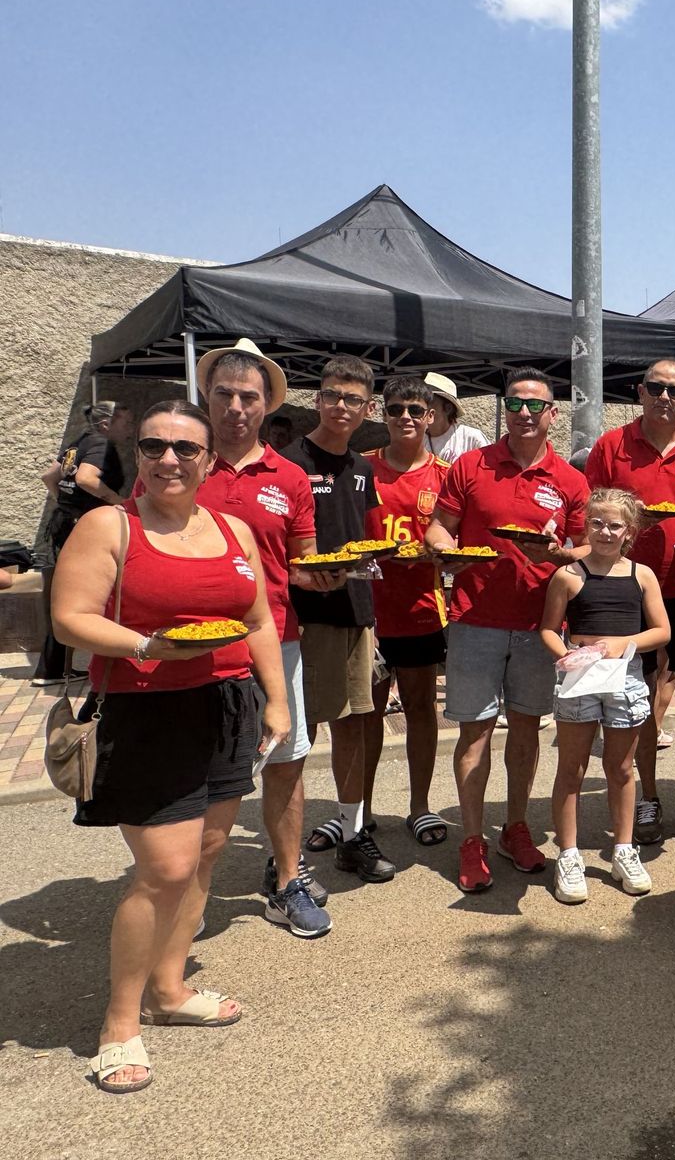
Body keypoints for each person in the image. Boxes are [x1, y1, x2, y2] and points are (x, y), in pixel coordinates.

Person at [51, 399, 288, 1093]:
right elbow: (69, 619)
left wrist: (276, 698)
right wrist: (146, 645)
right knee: (164, 868)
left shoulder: (232, 527)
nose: (170, 460)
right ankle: (119, 1025)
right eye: (154, 447)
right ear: (140, 457)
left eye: (186, 449)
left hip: (227, 704)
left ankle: (169, 989)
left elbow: (257, 619)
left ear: (209, 460)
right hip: (145, 709)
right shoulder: (109, 525)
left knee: (206, 855)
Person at [427, 368, 589, 891]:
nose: (524, 413)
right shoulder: (471, 466)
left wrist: (562, 553)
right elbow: (439, 527)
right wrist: (442, 551)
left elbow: (587, 548)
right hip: (476, 618)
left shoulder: (570, 480)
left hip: (540, 623)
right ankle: (472, 839)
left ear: (552, 415)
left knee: (525, 729)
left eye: (535, 406)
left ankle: (515, 826)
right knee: (474, 730)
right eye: (514, 404)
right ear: (504, 410)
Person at [189, 340, 329, 938]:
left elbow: (299, 562)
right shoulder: (182, 462)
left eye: (249, 397)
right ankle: (187, 892)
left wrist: (325, 575)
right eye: (224, 395)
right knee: (194, 767)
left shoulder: (291, 476)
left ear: (267, 405)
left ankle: (286, 880)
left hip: (277, 639)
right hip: (193, 643)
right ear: (207, 398)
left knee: (285, 763)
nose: (236, 408)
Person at [584, 359, 675, 844]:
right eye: (657, 388)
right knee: (638, 703)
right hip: (629, 592)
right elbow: (592, 515)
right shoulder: (611, 446)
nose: (665, 397)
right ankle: (647, 798)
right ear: (640, 392)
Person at [284, 358, 391, 884]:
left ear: (367, 408)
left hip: (355, 613)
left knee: (353, 726)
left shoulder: (363, 469)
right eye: (331, 396)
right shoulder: (288, 464)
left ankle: (352, 834)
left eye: (352, 399)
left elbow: (364, 538)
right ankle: (285, 852)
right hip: (303, 619)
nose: (341, 407)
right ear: (317, 400)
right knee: (297, 736)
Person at [539, 489, 671, 903]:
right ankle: (569, 854)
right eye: (597, 523)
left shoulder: (641, 575)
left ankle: (623, 849)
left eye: (615, 525)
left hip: (625, 673)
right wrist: (566, 656)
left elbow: (662, 631)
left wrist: (622, 644)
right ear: (585, 525)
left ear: (628, 531)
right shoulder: (568, 575)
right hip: (580, 673)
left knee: (621, 767)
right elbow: (547, 628)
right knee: (572, 769)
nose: (605, 532)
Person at [359, 376, 451, 850]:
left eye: (416, 410)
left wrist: (440, 554)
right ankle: (361, 811)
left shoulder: (444, 474)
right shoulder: (360, 469)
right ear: (383, 414)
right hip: (367, 613)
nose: (407, 419)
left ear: (432, 416)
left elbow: (457, 540)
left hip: (420, 610)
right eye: (397, 410)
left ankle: (419, 805)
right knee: (366, 713)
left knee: (419, 709)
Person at [34, 400, 132, 685]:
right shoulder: (102, 444)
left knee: (63, 594)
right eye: (125, 422)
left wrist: (64, 502)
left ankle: (53, 669)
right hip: (82, 528)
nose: (130, 428)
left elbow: (49, 476)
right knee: (88, 595)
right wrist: (120, 502)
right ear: (107, 424)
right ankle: (106, 659)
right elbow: (87, 479)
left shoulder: (79, 442)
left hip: (63, 524)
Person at [422, 372, 488, 465]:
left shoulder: (472, 438)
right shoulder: (417, 440)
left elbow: (488, 471)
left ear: (448, 408)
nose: (422, 407)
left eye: (429, 401)